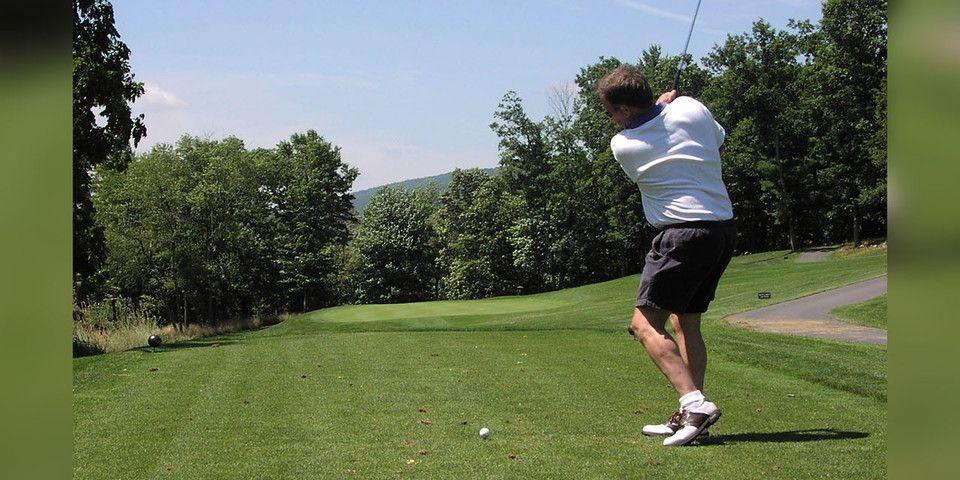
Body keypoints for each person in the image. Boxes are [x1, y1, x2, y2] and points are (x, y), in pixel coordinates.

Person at [596, 65, 737, 447]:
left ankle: (695, 404)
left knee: (643, 326)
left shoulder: (624, 145)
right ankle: (690, 414)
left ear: (625, 110)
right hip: (721, 232)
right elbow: (716, 140)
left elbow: (650, 134)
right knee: (685, 322)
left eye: (610, 112)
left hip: (681, 237)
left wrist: (661, 111)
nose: (611, 119)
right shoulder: (691, 108)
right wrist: (671, 108)